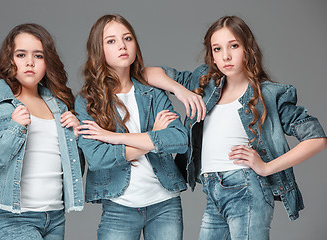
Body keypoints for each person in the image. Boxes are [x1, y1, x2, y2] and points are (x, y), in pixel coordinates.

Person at [145, 15, 327, 239]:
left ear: (248, 48)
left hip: (246, 189)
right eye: (217, 49)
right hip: (212, 190)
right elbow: (147, 73)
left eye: (234, 46)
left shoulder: (268, 95)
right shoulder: (203, 83)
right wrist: (180, 91)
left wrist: (266, 168)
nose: (226, 56)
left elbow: (317, 138)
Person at [74, 14, 188, 240]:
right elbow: (97, 158)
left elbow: (179, 139)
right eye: (111, 41)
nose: (122, 45)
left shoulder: (153, 92)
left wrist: (113, 138)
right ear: (99, 49)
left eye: (127, 38)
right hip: (119, 207)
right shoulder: (88, 101)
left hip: (165, 202)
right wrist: (153, 137)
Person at [0, 23, 84, 240]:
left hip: (54, 217)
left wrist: (75, 138)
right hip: (11, 217)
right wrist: (13, 130)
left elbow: (73, 169)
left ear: (48, 61)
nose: (30, 62)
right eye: (21, 55)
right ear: (9, 61)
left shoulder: (59, 107)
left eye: (38, 56)